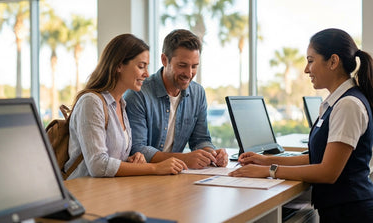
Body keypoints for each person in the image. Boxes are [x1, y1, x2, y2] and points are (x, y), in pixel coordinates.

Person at [229, 28, 373, 222]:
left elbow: (328, 172)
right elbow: (317, 158)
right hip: (341, 209)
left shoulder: (348, 105)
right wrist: (264, 160)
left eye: (311, 61)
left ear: (333, 61)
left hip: (351, 213)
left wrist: (269, 171)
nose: (306, 69)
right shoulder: (336, 102)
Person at [65, 34, 187, 179]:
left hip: (110, 192)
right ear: (119, 65)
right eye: (141, 66)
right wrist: (154, 167)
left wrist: (133, 160)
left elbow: (112, 160)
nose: (147, 74)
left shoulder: (121, 104)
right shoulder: (91, 102)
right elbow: (98, 165)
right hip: (86, 194)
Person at [124, 29, 228, 169]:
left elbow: (200, 140)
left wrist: (212, 154)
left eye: (194, 66)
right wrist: (184, 159)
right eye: (182, 65)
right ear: (164, 60)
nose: (189, 73)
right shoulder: (138, 94)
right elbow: (138, 148)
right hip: (146, 175)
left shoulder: (198, 93)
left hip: (175, 175)